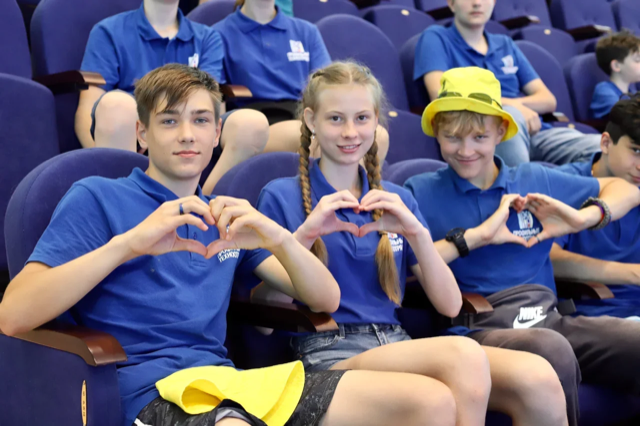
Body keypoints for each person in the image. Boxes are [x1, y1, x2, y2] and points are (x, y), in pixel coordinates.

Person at [0, 64, 457, 426]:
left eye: (201, 121)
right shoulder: (98, 196)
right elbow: (14, 313)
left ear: (217, 134)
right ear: (142, 133)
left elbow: (326, 299)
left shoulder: (224, 215)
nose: (187, 134)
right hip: (146, 389)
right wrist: (130, 244)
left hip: (228, 384)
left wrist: (277, 235)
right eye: (169, 121)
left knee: (428, 401)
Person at [254, 61, 569, 426]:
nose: (350, 132)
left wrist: (416, 233)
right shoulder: (280, 195)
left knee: (538, 380)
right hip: (327, 352)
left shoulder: (397, 198)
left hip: (397, 343)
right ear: (311, 120)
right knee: (463, 356)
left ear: (376, 121)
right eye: (335, 119)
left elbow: (450, 304)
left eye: (361, 118)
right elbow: (263, 319)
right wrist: (305, 234)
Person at [405, 66, 640, 426]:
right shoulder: (419, 190)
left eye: (479, 137)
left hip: (549, 317)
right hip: (477, 326)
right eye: (452, 137)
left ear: (500, 132)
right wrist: (477, 237)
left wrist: (583, 218)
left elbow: (625, 189)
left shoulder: (532, 178)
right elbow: (406, 265)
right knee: (549, 348)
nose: (466, 150)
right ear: (436, 132)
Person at [76, 0, 269, 192]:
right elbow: (87, 108)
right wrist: (97, 160)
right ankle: (125, 199)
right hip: (136, 130)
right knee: (116, 105)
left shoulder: (207, 37)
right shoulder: (109, 31)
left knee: (251, 123)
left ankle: (205, 202)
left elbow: (211, 102)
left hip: (190, 122)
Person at [414, 0, 600, 166]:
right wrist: (510, 108)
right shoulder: (435, 37)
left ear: (494, 2)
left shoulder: (505, 44)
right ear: (451, 3)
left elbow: (547, 100)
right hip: (481, 134)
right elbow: (440, 95)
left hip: (536, 131)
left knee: (602, 148)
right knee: (508, 115)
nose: (477, 3)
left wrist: (517, 106)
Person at [211, 0, 390, 174]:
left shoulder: (306, 31)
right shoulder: (219, 33)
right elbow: (213, 95)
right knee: (316, 139)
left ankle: (356, 193)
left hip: (301, 113)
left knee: (378, 136)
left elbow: (329, 85)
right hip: (257, 118)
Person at [552, 98, 640, 320]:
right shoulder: (565, 183)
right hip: (594, 315)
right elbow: (548, 259)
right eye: (636, 150)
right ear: (606, 143)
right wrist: (632, 274)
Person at [590, 30, 640, 120]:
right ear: (616, 66)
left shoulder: (633, 93)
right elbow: (622, 114)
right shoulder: (604, 90)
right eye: (637, 60)